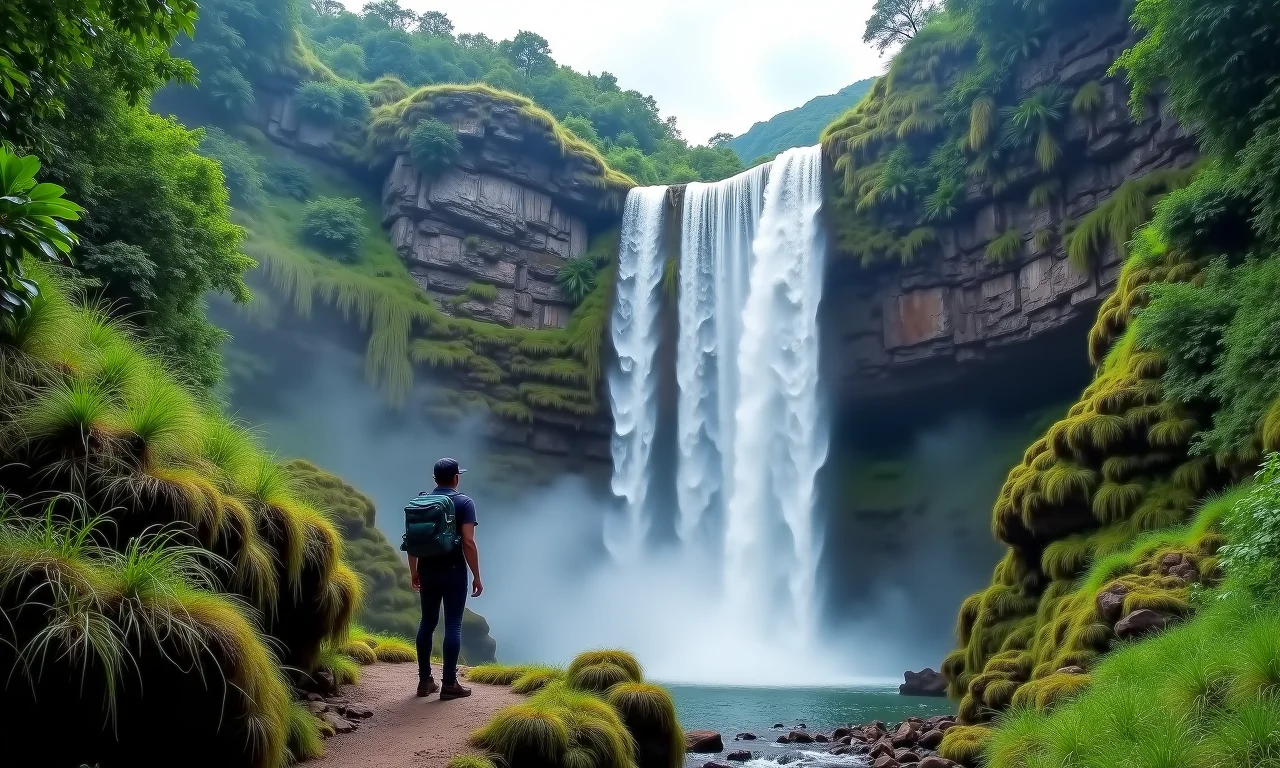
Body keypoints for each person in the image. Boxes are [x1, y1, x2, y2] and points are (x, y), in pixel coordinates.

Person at [407, 457, 483, 699]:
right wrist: (477, 576)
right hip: (453, 570)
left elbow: (412, 542)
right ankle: (449, 684)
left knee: (427, 623)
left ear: (435, 480)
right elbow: (468, 542)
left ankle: (424, 681)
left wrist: (414, 571)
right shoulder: (464, 503)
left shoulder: (421, 502)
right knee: (452, 624)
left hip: (427, 569)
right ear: (456, 478)